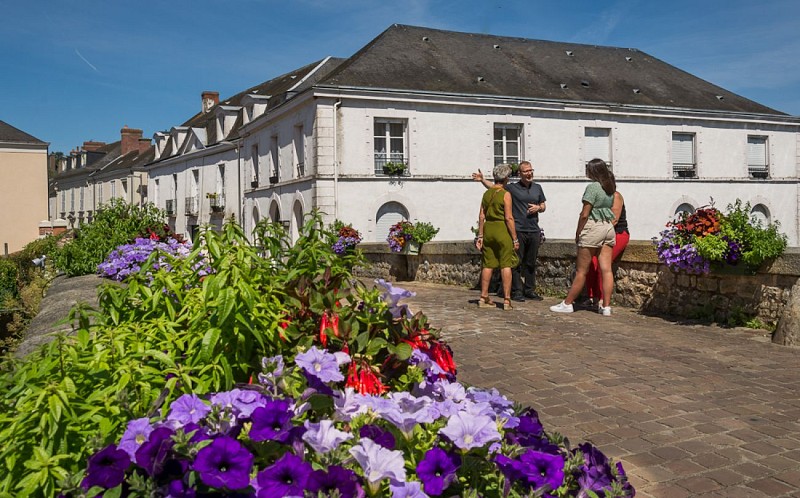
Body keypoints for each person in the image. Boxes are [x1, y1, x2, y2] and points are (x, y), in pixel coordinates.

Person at [550, 158, 616, 316]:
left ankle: (567, 303)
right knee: (606, 269)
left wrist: (578, 231)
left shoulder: (593, 187)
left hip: (593, 227)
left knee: (582, 271)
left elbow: (585, 213)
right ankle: (606, 306)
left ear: (592, 171)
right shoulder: (610, 187)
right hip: (608, 227)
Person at [473, 160, 546, 301]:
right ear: (520, 174)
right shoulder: (512, 188)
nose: (530, 173)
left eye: (531, 170)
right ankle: (517, 291)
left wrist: (539, 208)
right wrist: (483, 180)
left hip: (533, 229)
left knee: (531, 262)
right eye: (526, 171)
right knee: (515, 262)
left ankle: (530, 290)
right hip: (518, 229)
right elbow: (495, 187)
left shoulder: (538, 187)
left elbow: (543, 205)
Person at [475, 164, 519, 310]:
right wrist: (515, 238)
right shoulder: (506, 194)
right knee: (506, 264)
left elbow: (481, 216)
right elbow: (509, 218)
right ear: (506, 178)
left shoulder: (486, 194)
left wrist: (480, 235)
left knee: (487, 265)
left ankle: (483, 297)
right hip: (502, 230)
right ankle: (507, 300)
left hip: (489, 230)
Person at [584, 190, 629, 309]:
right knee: (589, 261)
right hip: (601, 233)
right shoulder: (598, 197)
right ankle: (592, 296)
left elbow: (614, 220)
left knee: (602, 263)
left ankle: (603, 299)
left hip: (618, 233)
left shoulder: (616, 196)